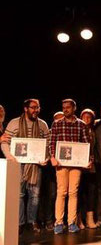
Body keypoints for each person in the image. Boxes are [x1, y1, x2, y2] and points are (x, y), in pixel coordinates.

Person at [1, 99, 50, 234]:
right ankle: (20, 222)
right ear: (25, 108)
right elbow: (5, 142)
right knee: (19, 195)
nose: (36, 110)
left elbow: (48, 144)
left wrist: (45, 157)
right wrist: (10, 157)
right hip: (18, 164)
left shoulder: (42, 124)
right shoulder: (14, 122)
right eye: (33, 107)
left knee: (35, 195)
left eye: (38, 107)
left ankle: (32, 221)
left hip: (35, 165)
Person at [49, 99, 90, 234]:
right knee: (62, 192)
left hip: (76, 164)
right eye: (64, 107)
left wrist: (88, 160)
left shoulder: (81, 125)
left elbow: (86, 144)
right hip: (61, 164)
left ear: (74, 108)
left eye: (68, 107)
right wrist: (53, 157)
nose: (66, 109)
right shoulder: (57, 124)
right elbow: (52, 143)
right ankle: (59, 222)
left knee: (73, 192)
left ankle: (71, 222)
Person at [77, 108, 98, 229]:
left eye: (89, 117)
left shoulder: (95, 130)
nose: (87, 119)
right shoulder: (77, 128)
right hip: (79, 165)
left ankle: (90, 219)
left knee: (91, 192)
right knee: (79, 193)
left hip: (92, 166)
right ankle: (79, 220)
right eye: (84, 117)